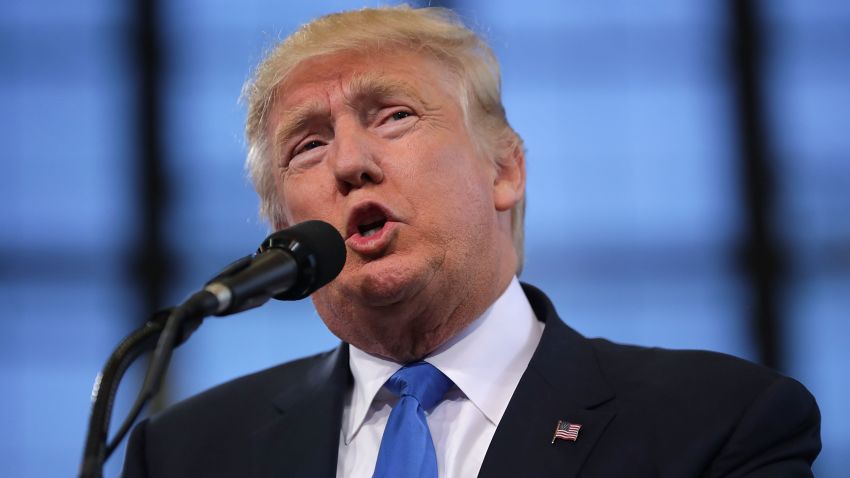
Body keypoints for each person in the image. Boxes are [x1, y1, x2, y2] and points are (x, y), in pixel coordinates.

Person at [122, 6, 820, 478]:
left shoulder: (718, 423)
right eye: (307, 145)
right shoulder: (188, 455)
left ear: (504, 169)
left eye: (393, 116)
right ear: (283, 233)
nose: (349, 162)